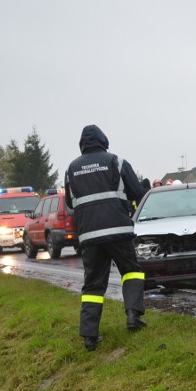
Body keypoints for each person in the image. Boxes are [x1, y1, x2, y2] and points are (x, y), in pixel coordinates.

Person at [65, 124, 148, 351]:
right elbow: (138, 193)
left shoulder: (71, 168)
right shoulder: (116, 162)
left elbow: (70, 203)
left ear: (82, 144)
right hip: (118, 230)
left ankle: (90, 337)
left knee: (92, 284)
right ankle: (133, 317)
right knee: (130, 271)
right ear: (103, 140)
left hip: (89, 235)